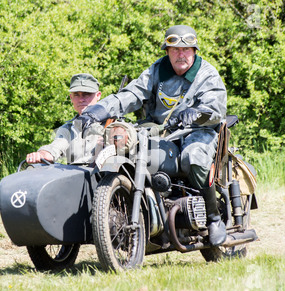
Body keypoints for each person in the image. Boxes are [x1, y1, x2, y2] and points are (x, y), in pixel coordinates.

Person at [77, 25, 227, 246]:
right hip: (161, 130)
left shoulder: (207, 73)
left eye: (186, 49)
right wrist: (99, 109)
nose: (181, 54)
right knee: (129, 149)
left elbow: (216, 109)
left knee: (193, 158)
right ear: (167, 51)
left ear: (194, 50)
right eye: (175, 49)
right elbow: (133, 93)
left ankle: (214, 218)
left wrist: (197, 113)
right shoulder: (158, 70)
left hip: (198, 130)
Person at [26, 73, 102, 164]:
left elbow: (122, 147)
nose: (81, 99)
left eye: (87, 94)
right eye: (76, 95)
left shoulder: (112, 125)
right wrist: (42, 154)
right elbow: (55, 147)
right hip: (77, 177)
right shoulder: (68, 129)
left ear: (98, 95)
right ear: (71, 98)